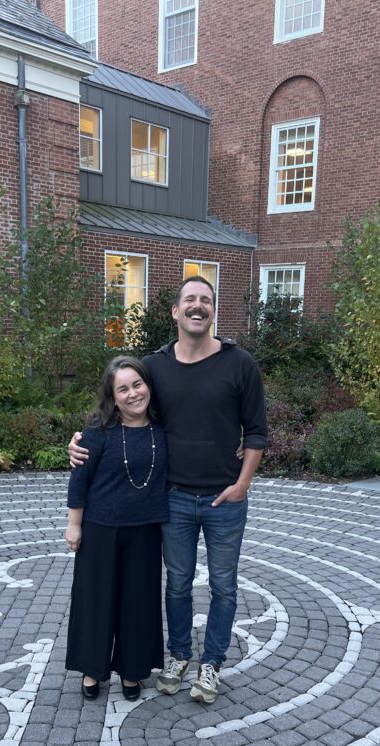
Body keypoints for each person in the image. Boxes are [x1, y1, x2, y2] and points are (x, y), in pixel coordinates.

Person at [70, 276, 266, 705]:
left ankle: (211, 664)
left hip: (224, 500)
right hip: (173, 499)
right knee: (176, 585)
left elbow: (256, 432)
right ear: (175, 312)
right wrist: (80, 442)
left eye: (206, 300)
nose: (198, 306)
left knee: (224, 586)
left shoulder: (240, 364)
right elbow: (123, 410)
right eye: (190, 300)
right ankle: (178, 656)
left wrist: (242, 485)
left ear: (214, 310)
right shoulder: (153, 367)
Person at [65, 355, 168, 702]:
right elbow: (80, 478)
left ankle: (132, 669)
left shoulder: (163, 426)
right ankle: (93, 669)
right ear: (112, 396)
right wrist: (73, 525)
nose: (133, 394)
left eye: (137, 384)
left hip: (146, 529)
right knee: (96, 601)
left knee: (137, 602)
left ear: (148, 386)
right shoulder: (98, 431)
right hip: (100, 529)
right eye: (122, 389)